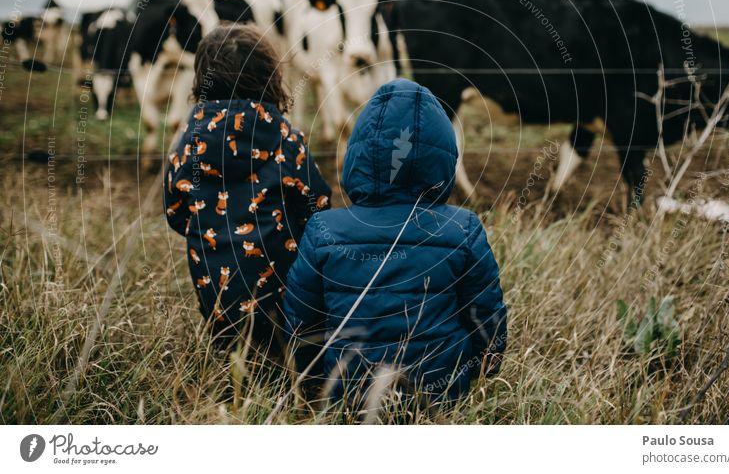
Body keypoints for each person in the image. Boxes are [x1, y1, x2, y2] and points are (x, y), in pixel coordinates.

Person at [284, 79, 507, 408]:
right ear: (444, 154)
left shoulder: (323, 229)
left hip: (348, 401)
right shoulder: (463, 229)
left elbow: (302, 325)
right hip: (440, 402)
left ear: (359, 151)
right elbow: (487, 319)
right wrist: (484, 369)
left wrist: (314, 383)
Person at [163, 23, 331, 356]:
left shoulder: (187, 143)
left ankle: (231, 363)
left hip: (217, 304)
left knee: (231, 359)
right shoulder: (287, 140)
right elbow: (318, 209)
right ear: (270, 77)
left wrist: (210, 230)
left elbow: (175, 212)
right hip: (286, 308)